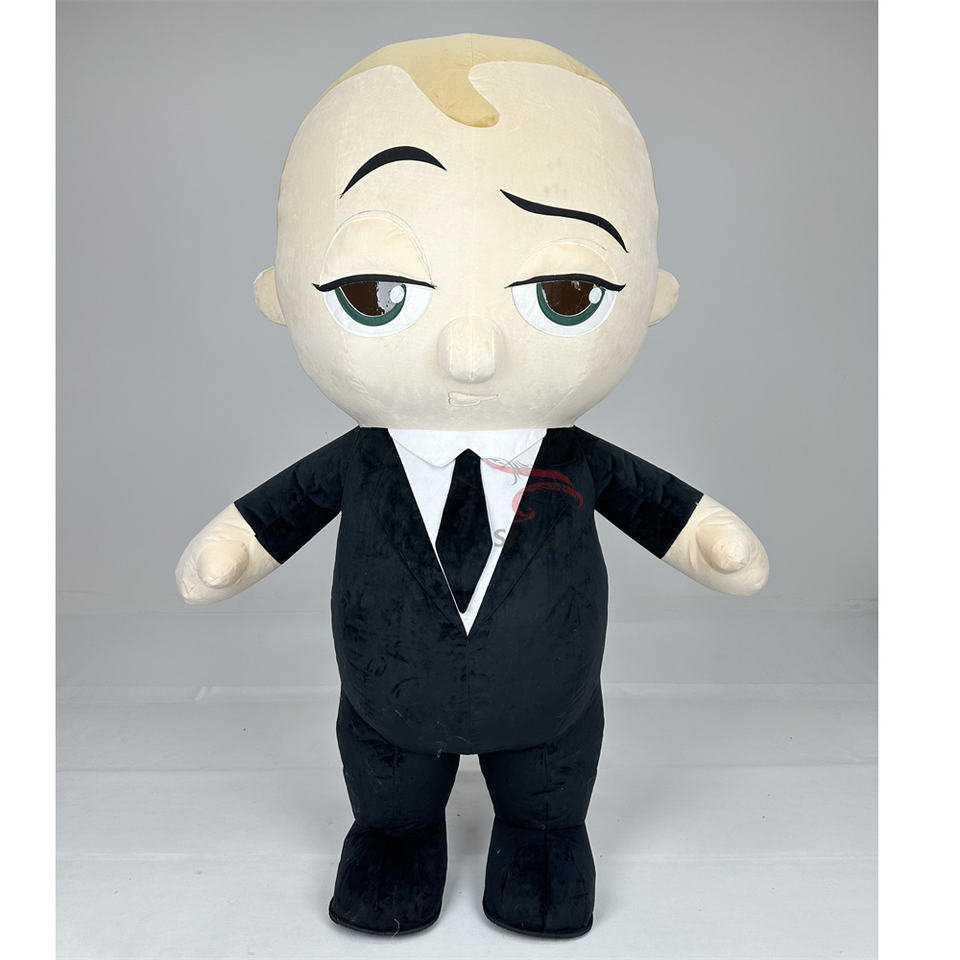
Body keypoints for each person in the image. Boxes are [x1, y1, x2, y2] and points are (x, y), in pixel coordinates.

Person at [175, 34, 769, 938]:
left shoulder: (579, 459)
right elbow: (273, 518)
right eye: (376, 291)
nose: (471, 354)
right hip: (387, 710)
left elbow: (665, 512)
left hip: (551, 707)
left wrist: (711, 539)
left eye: (564, 292)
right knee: (387, 784)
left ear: (651, 292)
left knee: (548, 791)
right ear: (282, 292)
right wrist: (231, 551)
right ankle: (394, 836)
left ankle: (541, 836)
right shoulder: (362, 460)